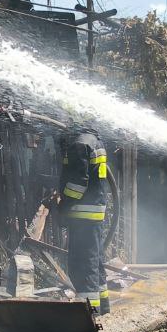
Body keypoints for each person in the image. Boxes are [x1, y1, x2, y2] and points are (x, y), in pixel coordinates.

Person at [58, 129, 110, 313]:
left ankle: (89, 312)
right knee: (94, 260)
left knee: (83, 263)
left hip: (83, 214)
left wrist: (63, 204)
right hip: (94, 212)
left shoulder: (80, 144)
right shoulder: (94, 141)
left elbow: (77, 185)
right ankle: (102, 306)